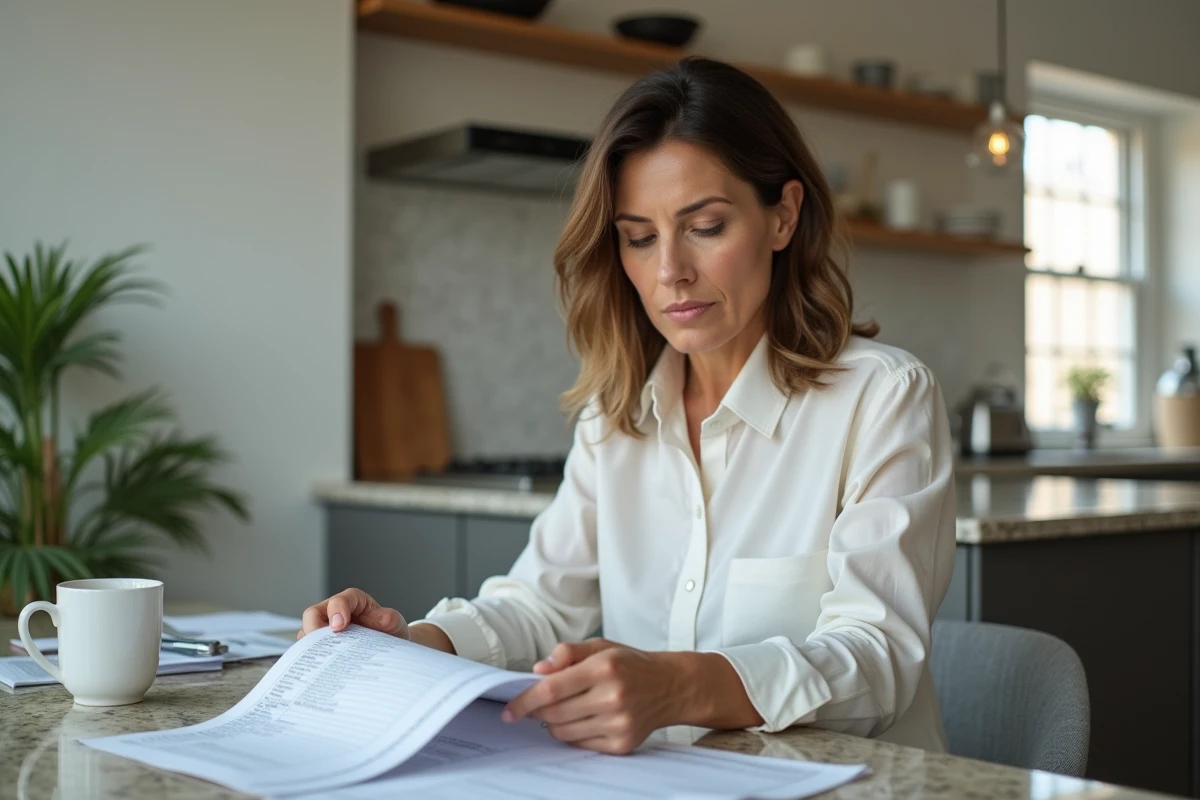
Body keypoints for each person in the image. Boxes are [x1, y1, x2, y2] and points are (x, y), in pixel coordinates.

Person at [302, 56, 956, 755]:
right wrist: (409, 642)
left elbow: (878, 659)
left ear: (783, 217)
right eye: (639, 237)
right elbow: (541, 604)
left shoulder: (881, 397)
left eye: (704, 226)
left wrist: (677, 687)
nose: (670, 269)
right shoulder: (616, 418)